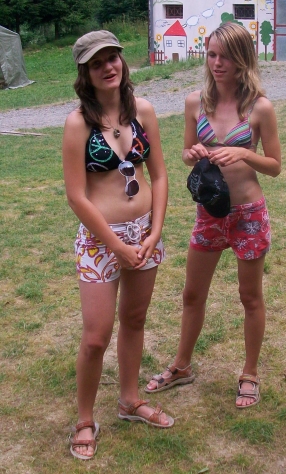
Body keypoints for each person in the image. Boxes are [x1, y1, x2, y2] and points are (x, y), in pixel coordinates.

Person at [145, 22, 281, 407]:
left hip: (248, 213)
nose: (217, 63)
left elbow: (274, 166)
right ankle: (182, 365)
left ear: (242, 59)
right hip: (209, 212)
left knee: (250, 297)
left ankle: (250, 373)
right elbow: (188, 152)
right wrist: (191, 154)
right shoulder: (195, 103)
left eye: (225, 56)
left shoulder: (259, 107)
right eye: (212, 55)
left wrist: (243, 152)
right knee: (192, 294)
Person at [63, 30, 173, 461]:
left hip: (143, 233)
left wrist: (155, 232)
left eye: (113, 58)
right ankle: (84, 419)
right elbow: (77, 196)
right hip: (100, 239)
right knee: (96, 336)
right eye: (97, 63)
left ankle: (130, 399)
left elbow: (159, 175)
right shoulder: (78, 123)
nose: (108, 67)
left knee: (134, 319)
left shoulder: (142, 110)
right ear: (85, 73)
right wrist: (115, 245)